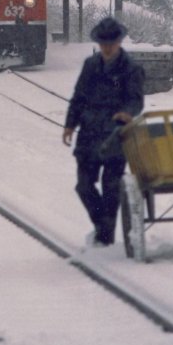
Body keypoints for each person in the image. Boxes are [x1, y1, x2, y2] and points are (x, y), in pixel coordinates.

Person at [62, 16, 145, 246]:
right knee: (84, 186)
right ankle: (102, 225)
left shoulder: (131, 69)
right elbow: (78, 98)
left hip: (115, 137)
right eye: (103, 43)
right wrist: (70, 124)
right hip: (88, 134)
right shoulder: (90, 66)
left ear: (119, 42)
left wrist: (127, 113)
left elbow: (136, 101)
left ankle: (105, 237)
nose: (107, 48)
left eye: (112, 43)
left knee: (111, 189)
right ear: (99, 44)